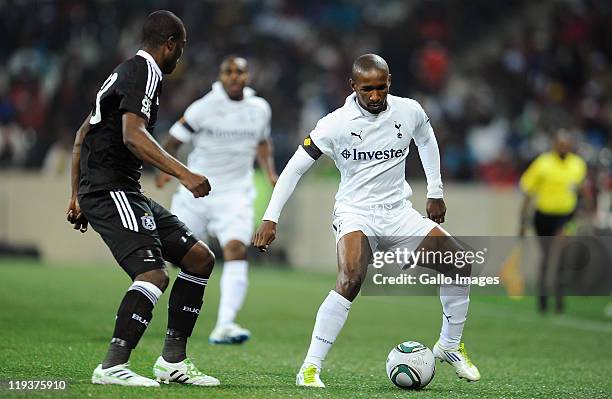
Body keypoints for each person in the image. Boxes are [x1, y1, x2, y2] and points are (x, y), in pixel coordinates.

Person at [253, 54, 481, 387]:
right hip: (355, 212)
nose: (375, 96)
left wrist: (435, 190)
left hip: (398, 212)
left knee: (459, 262)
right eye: (367, 89)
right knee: (350, 278)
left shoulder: (409, 110)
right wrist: (270, 217)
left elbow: (427, 140)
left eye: (380, 88)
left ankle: (448, 346)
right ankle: (310, 367)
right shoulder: (335, 124)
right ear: (353, 86)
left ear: (389, 83)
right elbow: (295, 168)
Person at [66, 10, 220, 387]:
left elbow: (82, 134)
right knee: (152, 273)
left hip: (117, 189)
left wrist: (75, 196)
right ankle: (112, 366)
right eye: (180, 49)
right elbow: (134, 136)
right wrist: (184, 174)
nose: (180, 58)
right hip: (111, 188)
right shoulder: (146, 72)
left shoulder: (121, 72)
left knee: (199, 258)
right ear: (170, 44)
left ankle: (172, 362)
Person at [156, 55, 277, 344]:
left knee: (236, 249)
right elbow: (173, 141)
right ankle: (146, 303)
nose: (234, 77)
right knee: (176, 258)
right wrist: (166, 172)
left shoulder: (259, 109)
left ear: (248, 77)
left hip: (236, 194)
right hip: (196, 192)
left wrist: (271, 172)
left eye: (240, 72)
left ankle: (225, 324)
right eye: (228, 72)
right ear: (220, 76)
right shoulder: (203, 108)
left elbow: (262, 141)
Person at [519, 130, 587, 313]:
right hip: (543, 216)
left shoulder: (578, 165)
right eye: (561, 144)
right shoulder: (543, 164)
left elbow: (581, 191)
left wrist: (583, 210)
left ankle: (559, 299)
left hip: (566, 217)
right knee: (547, 256)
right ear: (554, 145)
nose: (564, 147)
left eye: (567, 144)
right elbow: (528, 191)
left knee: (562, 255)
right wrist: (523, 221)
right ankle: (542, 299)